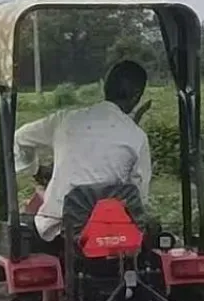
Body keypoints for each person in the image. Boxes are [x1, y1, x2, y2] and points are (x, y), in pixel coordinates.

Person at [14, 60, 152, 245]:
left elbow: (19, 137)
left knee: (19, 232)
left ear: (104, 86)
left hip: (59, 230)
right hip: (113, 237)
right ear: (137, 96)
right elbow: (139, 197)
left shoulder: (66, 120)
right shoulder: (137, 136)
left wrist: (35, 170)